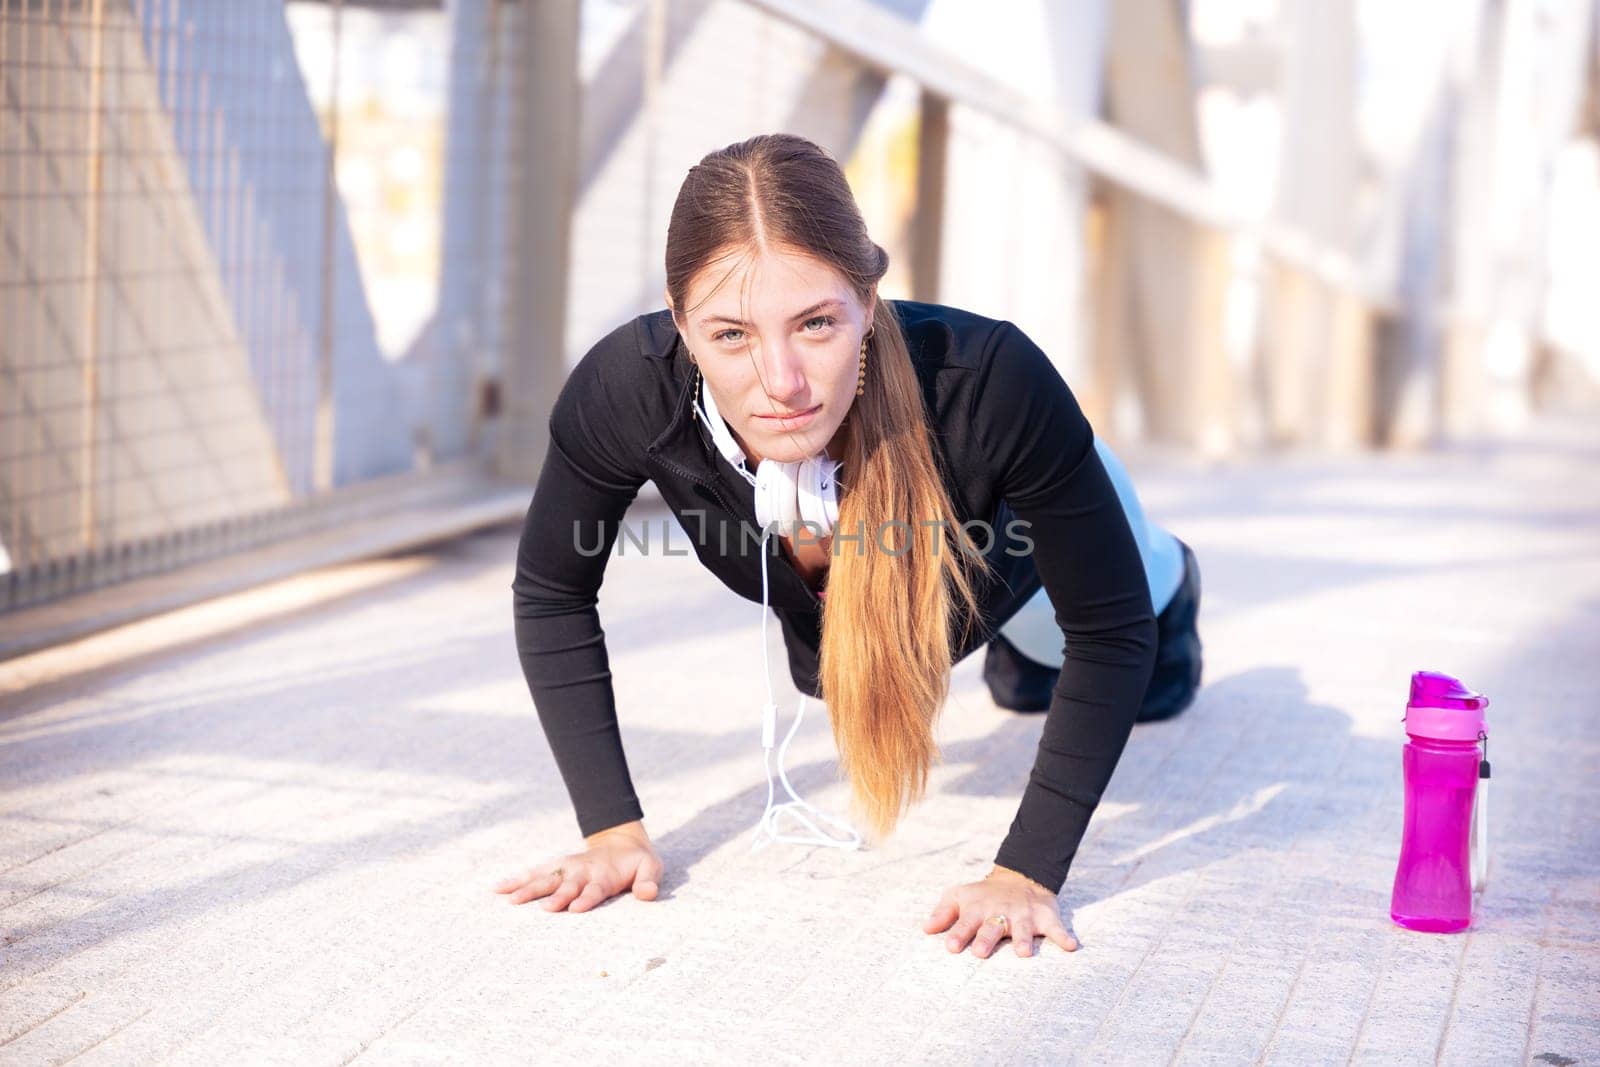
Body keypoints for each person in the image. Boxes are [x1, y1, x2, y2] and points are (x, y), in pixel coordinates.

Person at [494, 133, 1203, 960]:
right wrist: (610, 827)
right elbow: (551, 589)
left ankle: (1171, 571)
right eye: (730, 335)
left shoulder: (996, 382)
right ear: (680, 322)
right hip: (911, 596)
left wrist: (1026, 872)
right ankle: (1010, 657)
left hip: (1027, 550)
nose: (783, 381)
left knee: (1118, 652)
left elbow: (1111, 629)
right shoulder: (626, 390)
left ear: (868, 300)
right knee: (934, 681)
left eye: (817, 322)